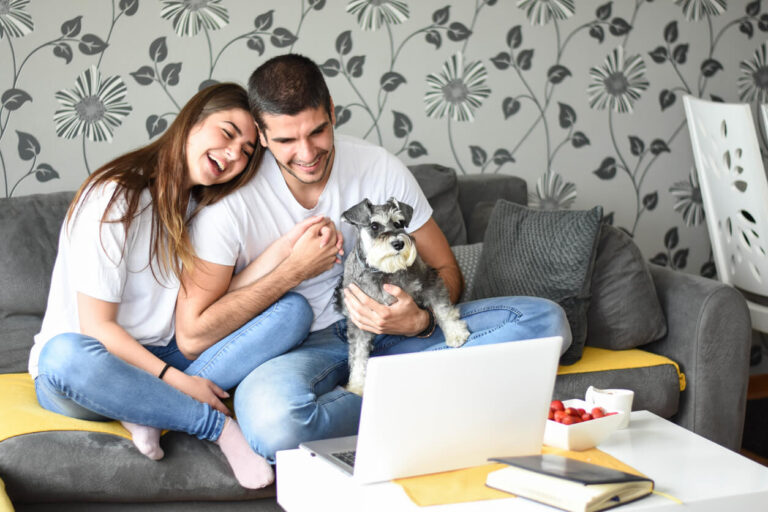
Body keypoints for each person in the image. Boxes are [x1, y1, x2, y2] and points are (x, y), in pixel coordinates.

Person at [175, 54, 572, 463]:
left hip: (402, 333)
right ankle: (429, 390)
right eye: (286, 141)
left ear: (332, 111)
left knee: (548, 322)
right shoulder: (231, 201)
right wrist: (293, 270)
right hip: (305, 348)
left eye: (317, 131)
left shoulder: (378, 166)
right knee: (277, 426)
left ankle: (390, 387)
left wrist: (420, 320)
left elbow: (446, 270)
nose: (307, 153)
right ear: (260, 133)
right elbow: (192, 335)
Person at [29, 83, 310, 489]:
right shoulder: (112, 196)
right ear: (191, 121)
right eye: (228, 133)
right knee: (63, 355)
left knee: (292, 310)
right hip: (93, 365)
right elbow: (98, 330)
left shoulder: (202, 208)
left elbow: (223, 297)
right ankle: (212, 426)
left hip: (166, 353)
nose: (234, 154)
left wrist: (287, 252)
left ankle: (148, 409)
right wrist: (181, 384)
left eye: (247, 151)